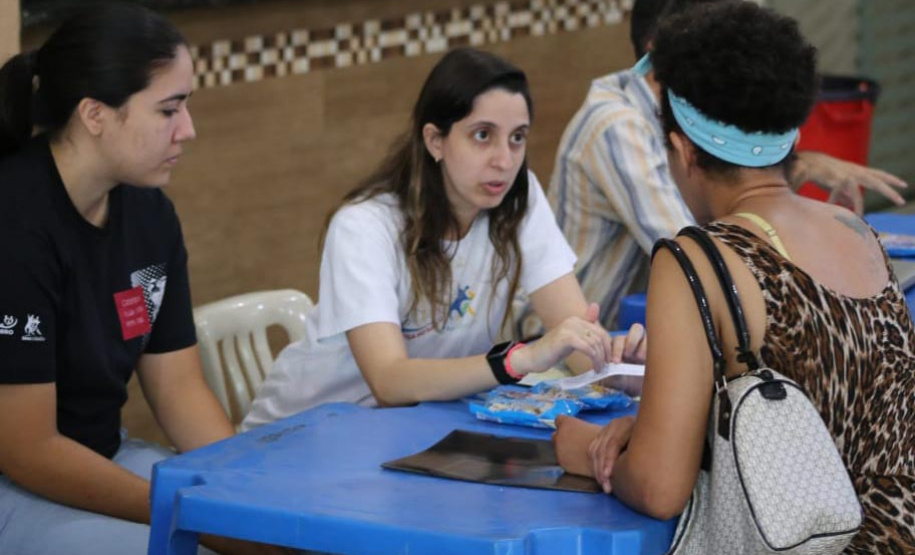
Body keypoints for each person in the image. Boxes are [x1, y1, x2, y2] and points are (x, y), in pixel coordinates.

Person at [552, 3, 914, 553]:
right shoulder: (857, 232)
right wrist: (666, 435)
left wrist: (590, 449)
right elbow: (817, 418)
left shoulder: (698, 261)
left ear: (683, 150)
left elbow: (658, 489)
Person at [0, 5, 284, 555]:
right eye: (168, 110)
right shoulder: (15, 223)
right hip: (16, 486)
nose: (189, 130)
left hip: (104, 456)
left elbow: (178, 388)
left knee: (275, 536)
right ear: (95, 114)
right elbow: (26, 448)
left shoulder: (149, 215)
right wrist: (185, 513)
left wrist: (249, 498)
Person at [243, 48, 645, 430]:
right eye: (483, 135)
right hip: (301, 436)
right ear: (435, 140)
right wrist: (518, 360)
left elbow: (573, 336)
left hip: (409, 429)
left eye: (517, 137)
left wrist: (617, 365)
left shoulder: (518, 198)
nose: (504, 160)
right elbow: (389, 382)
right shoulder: (364, 226)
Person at [527, 0, 908, 332]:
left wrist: (795, 166)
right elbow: (706, 260)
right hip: (568, 350)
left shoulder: (689, 131)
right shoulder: (618, 126)